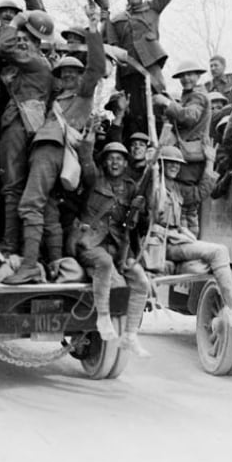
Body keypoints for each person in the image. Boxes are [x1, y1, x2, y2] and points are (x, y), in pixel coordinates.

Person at [5, 3, 105, 283]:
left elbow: (97, 66)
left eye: (74, 71)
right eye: (64, 73)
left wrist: (94, 27)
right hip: (48, 150)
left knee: (29, 205)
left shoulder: (83, 95)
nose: (69, 75)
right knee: (48, 211)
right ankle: (57, 266)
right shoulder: (56, 99)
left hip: (52, 149)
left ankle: (27, 267)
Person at [148, 145, 232, 326]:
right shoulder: (154, 185)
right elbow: (150, 195)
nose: (174, 167)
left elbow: (201, 192)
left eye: (177, 164)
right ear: (161, 164)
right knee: (219, 252)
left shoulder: (177, 189)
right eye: (170, 163)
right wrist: (152, 167)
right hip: (161, 244)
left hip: (175, 240)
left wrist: (210, 163)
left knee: (207, 268)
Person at [68, 141, 150, 356]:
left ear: (125, 164)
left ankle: (131, 335)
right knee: (103, 263)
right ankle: (103, 318)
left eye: (120, 159)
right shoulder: (94, 179)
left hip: (118, 246)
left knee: (141, 281)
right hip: (89, 241)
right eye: (111, 158)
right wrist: (91, 137)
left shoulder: (131, 187)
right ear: (104, 162)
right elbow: (86, 159)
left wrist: (142, 210)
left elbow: (140, 224)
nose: (115, 162)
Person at [104, 0, 191, 135]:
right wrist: (102, 21)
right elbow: (110, 44)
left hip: (150, 75)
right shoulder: (117, 19)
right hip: (127, 76)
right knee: (130, 116)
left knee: (156, 112)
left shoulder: (153, 9)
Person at [0, 9, 57, 253]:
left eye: (25, 40)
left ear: (33, 42)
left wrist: (15, 22)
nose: (21, 44)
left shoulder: (34, 61)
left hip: (18, 124)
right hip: (31, 126)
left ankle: (10, 244)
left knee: (11, 187)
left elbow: (5, 46)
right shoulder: (43, 64)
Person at [153, 60, 211, 235]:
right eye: (182, 76)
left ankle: (189, 248)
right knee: (182, 209)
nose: (186, 78)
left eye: (190, 74)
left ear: (198, 76)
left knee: (186, 208)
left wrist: (166, 103)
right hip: (187, 159)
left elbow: (190, 117)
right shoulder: (188, 96)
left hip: (191, 161)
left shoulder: (198, 96)